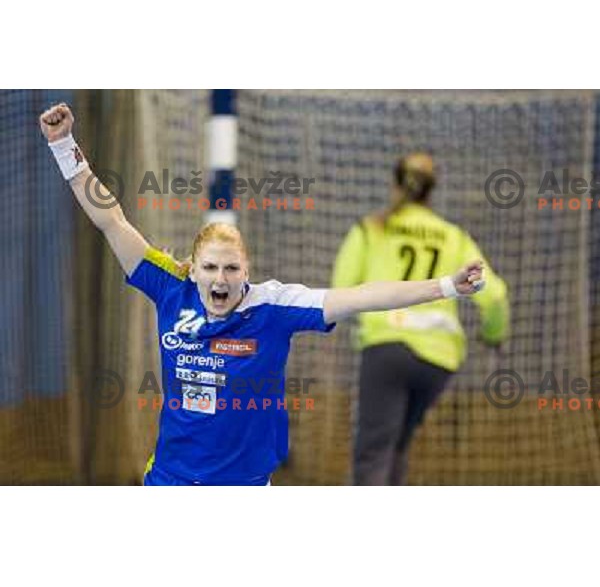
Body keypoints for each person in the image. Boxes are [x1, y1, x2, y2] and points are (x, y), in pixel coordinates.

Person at [40, 104, 487, 486]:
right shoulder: (170, 289)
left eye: (231, 268)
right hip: (171, 481)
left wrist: (446, 286)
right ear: (194, 269)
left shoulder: (275, 307)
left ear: (246, 272)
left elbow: (363, 296)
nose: (220, 278)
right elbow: (112, 222)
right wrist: (65, 148)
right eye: (210, 268)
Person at [332, 152, 510, 486]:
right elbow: (495, 295)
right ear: (432, 190)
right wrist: (494, 334)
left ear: (394, 185)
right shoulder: (454, 237)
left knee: (373, 451)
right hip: (438, 361)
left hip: (386, 351)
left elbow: (340, 292)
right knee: (396, 444)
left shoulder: (371, 230)